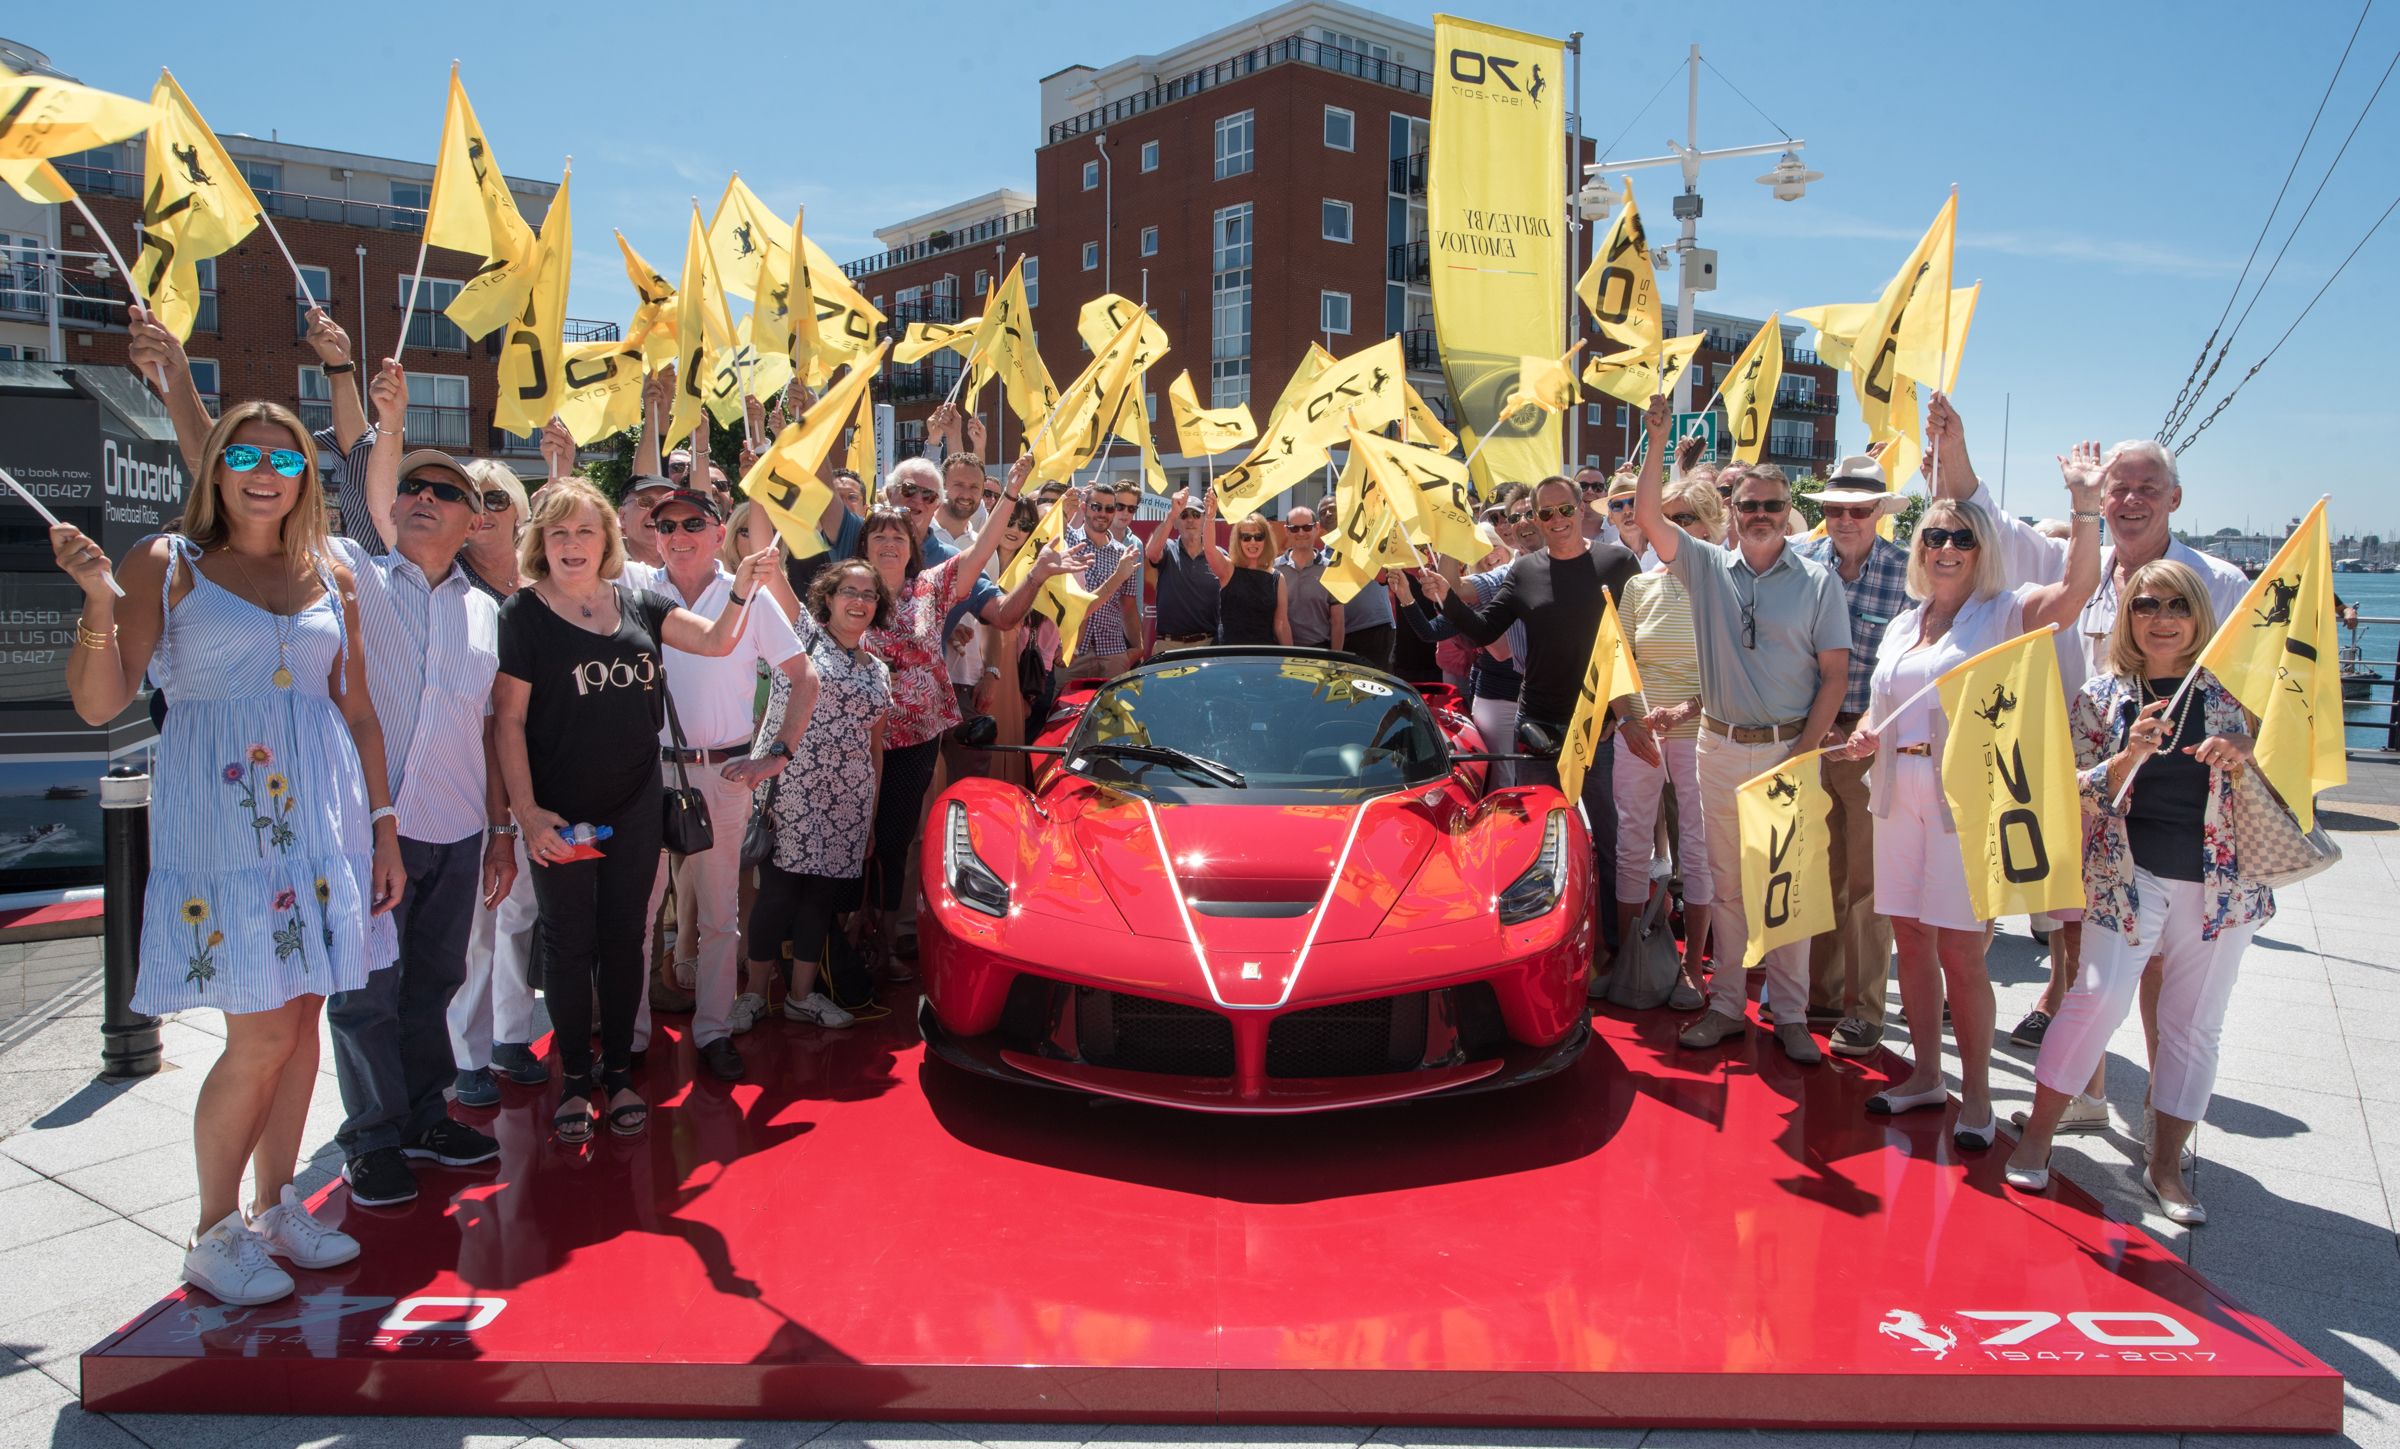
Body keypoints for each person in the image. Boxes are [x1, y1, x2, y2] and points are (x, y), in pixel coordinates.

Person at [50, 400, 401, 1305]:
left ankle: (276, 1203)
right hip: (226, 833)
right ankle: (213, 1231)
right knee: (261, 1033)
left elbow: (356, 711)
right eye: (242, 453)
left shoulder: (332, 570)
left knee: (303, 1024)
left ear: (304, 478)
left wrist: (384, 826)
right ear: (213, 466)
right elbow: (99, 703)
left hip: (320, 828)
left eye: (284, 459)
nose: (263, 470)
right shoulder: (167, 566)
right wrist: (97, 603)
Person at [1926, 396, 2250, 1125]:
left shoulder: (2221, 583)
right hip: (2089, 789)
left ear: (2175, 498)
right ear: (2099, 498)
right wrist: (1957, 438)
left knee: (2162, 969)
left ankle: (2164, 1111)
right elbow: (1986, 516)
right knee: (2080, 943)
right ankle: (2088, 1093)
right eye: (2118, 488)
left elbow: (2260, 696)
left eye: (2145, 488)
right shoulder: (2084, 566)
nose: (2130, 501)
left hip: (2175, 808)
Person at [492, 479, 780, 1143]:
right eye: (558, 533)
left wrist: (740, 585)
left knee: (626, 940)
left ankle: (617, 1071)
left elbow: (712, 641)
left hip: (634, 805)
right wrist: (527, 813)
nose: (571, 545)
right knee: (568, 943)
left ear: (607, 540)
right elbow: (507, 721)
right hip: (560, 812)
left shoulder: (639, 602)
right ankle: (573, 1081)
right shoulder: (524, 614)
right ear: (541, 541)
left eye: (584, 531)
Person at [1831, 468, 2101, 1148]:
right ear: (1918, 547)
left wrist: (2085, 506)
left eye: (1960, 536)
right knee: (1911, 943)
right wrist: (1866, 728)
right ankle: (1926, 1074)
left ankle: (1975, 1094)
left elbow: (2076, 593)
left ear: (1980, 548)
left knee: (1960, 950)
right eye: (1932, 535)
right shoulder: (1902, 623)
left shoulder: (2003, 612)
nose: (1944, 546)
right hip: (1896, 793)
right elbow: (1884, 702)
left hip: (1963, 802)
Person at [2005, 560, 2271, 1225]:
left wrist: (2249, 748)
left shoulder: (2232, 696)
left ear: (2199, 615)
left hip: (2220, 889)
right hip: (2128, 877)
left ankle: (2166, 1168)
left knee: (2193, 1026)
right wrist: (2127, 755)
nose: (2162, 618)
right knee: (2095, 1001)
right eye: (2147, 604)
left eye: (2177, 604)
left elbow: (2288, 775)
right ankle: (2037, 1138)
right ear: (2128, 616)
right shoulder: (2102, 696)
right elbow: (2067, 786)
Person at [321, 369, 512, 1207]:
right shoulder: (353, 577)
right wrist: (386, 423)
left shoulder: (490, 611)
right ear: (391, 504)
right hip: (370, 825)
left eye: (448, 491)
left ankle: (425, 1115)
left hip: (458, 822)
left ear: (476, 520)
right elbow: (371, 467)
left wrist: (501, 830)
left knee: (433, 982)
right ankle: (370, 1138)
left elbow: (493, 731)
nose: (426, 498)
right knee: (366, 992)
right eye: (412, 487)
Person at [1630, 396, 1849, 1062]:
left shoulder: (1818, 581)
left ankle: (1787, 1013)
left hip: (1788, 751)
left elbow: (1834, 677)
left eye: (1771, 507)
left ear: (1790, 514)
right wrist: (1658, 442)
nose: (1759, 515)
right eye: (1748, 504)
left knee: (1787, 885)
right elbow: (1645, 517)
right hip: (1718, 746)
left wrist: (1803, 755)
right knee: (1724, 881)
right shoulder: (1701, 563)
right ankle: (1728, 1004)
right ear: (1733, 510)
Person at [624, 488, 817, 1081]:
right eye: (664, 524)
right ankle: (630, 1039)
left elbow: (803, 676)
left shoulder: (752, 595)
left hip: (722, 772)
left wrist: (775, 755)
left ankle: (712, 1031)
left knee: (718, 916)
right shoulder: (630, 592)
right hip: (641, 773)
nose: (677, 534)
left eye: (691, 522)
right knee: (636, 912)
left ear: (715, 532)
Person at [1422, 474, 1640, 954]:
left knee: (1609, 837)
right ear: (1536, 519)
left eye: (1565, 510)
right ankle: (1546, 945)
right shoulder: (1525, 572)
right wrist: (1447, 594)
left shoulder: (1618, 562)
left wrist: (1622, 718)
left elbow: (1634, 645)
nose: (1557, 521)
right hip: (1539, 726)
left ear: (1583, 507)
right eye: (1546, 514)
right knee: (1541, 838)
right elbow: (1482, 630)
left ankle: (1615, 948)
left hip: (1599, 727)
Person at [855, 461, 1053, 980]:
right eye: (879, 537)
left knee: (897, 838)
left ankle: (882, 941)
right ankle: (842, 937)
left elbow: (982, 554)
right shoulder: (848, 590)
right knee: (853, 839)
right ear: (863, 546)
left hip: (915, 738)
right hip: (853, 741)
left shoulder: (931, 587)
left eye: (899, 538)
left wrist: (1009, 495)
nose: (890, 545)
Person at [1792, 455, 1913, 1058]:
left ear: (1878, 515)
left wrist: (1867, 731)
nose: (1845, 519)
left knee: (1867, 883)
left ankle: (1865, 1011)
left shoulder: (1909, 573)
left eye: (1858, 510)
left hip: (1872, 741)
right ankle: (1821, 992)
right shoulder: (1805, 565)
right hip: (1809, 736)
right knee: (1820, 871)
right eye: (1835, 509)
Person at [745, 560, 891, 1032]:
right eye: (849, 591)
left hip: (848, 800)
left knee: (819, 900)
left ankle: (801, 997)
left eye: (869, 595)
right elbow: (775, 578)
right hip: (792, 791)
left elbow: (875, 749)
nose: (859, 602)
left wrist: (868, 818)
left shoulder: (880, 672)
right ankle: (751, 996)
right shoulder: (801, 635)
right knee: (778, 896)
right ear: (827, 598)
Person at [1608, 478, 1724, 1006]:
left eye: (1684, 517)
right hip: (1640, 734)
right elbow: (1620, 662)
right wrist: (1630, 722)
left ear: (1708, 524)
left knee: (1697, 851)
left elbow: (1731, 671)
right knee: (1631, 845)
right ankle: (1634, 960)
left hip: (1702, 733)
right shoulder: (1637, 586)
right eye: (1666, 517)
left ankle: (1694, 970)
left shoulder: (1725, 583)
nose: (1671, 528)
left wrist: (1687, 709)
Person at [1062, 483, 1146, 679]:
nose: (1102, 513)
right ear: (1084, 507)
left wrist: (1138, 647)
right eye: (1096, 507)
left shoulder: (1123, 553)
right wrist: (1063, 511)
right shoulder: (1068, 540)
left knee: (1114, 710)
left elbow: (1128, 605)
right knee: (1067, 708)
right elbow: (1044, 529)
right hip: (1073, 651)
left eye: (1109, 508)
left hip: (1113, 651)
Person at [1147, 487, 1223, 652]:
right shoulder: (1167, 548)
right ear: (1176, 522)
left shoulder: (1218, 555)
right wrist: (1171, 514)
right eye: (1184, 515)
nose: (1190, 520)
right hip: (1168, 645)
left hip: (1208, 644)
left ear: (1204, 519)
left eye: (1196, 515)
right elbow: (1152, 552)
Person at [1211, 508, 1290, 646]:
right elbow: (1210, 549)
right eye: (1246, 537)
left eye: (1258, 537)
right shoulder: (1229, 570)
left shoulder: (1277, 578)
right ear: (1238, 541)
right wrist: (1210, 516)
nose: (1252, 542)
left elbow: (1281, 624)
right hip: (1227, 655)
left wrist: (1291, 660)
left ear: (1266, 541)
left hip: (1263, 656)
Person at [1277, 506, 1343, 651]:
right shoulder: (1274, 570)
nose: (1301, 533)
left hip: (1320, 653)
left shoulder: (1331, 570)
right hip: (1281, 655)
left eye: (1307, 527)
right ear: (1286, 530)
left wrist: (1335, 660)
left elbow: (1337, 621)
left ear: (1317, 527)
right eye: (1294, 528)